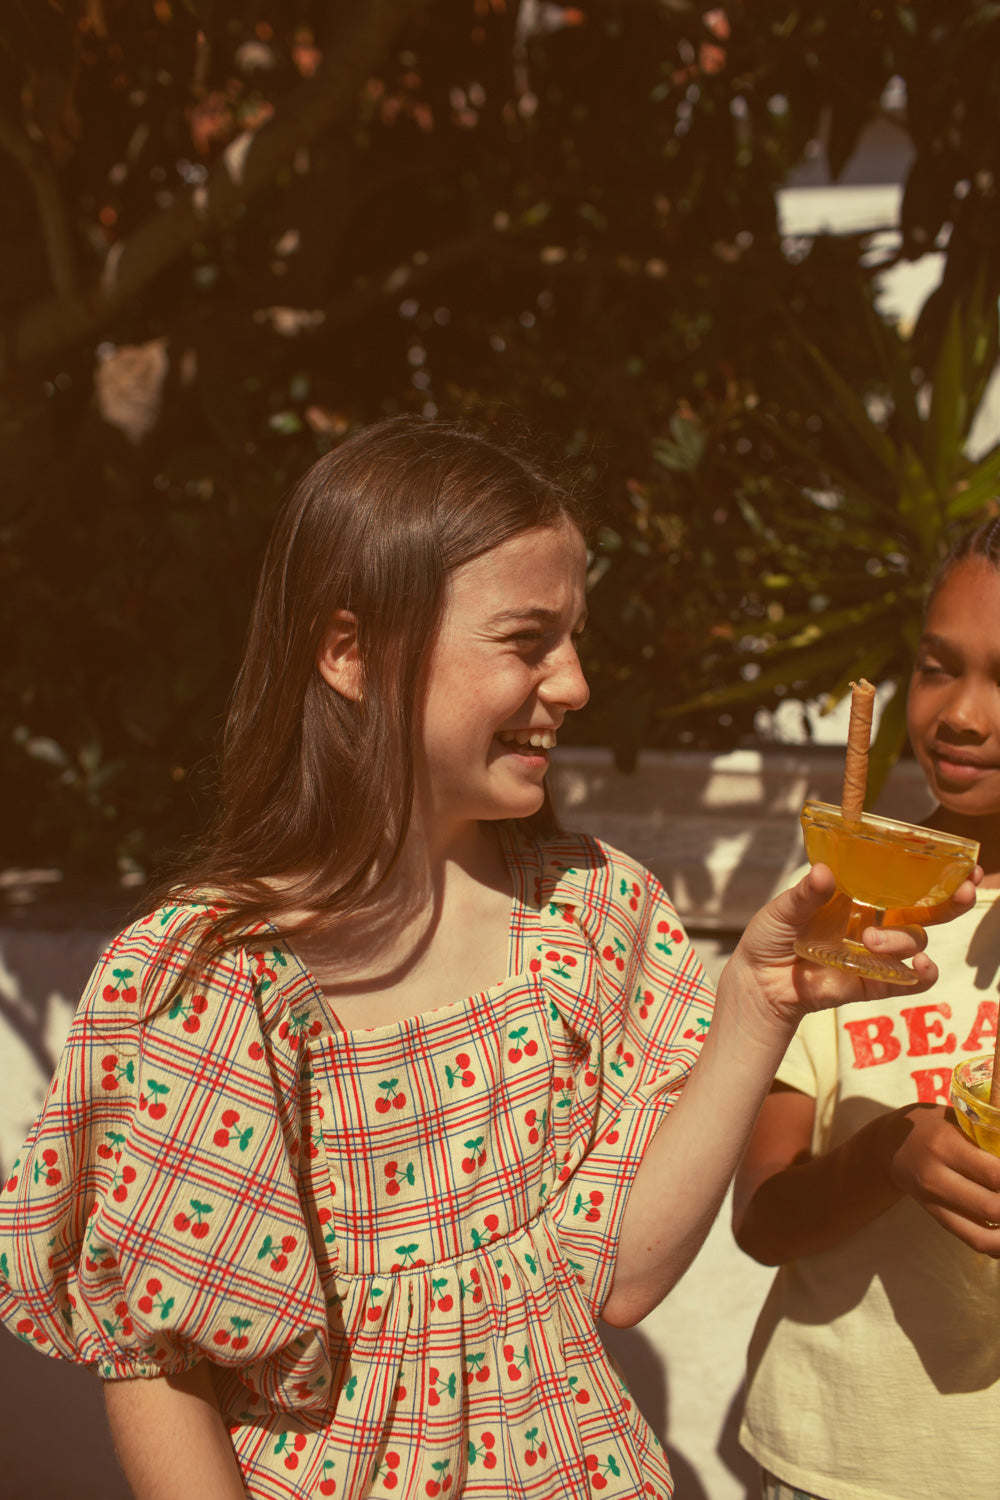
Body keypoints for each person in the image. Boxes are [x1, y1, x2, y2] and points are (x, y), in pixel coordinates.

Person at [0, 418, 971, 1500]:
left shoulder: (589, 919)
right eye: (526, 641)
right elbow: (158, 1366)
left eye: (574, 637)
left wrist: (756, 1001)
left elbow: (622, 1281)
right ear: (349, 653)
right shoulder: (211, 980)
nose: (576, 683)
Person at [735, 516, 1000, 1500]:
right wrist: (884, 1156)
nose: (963, 715)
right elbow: (761, 1217)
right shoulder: (845, 901)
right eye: (939, 667)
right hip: (835, 1464)